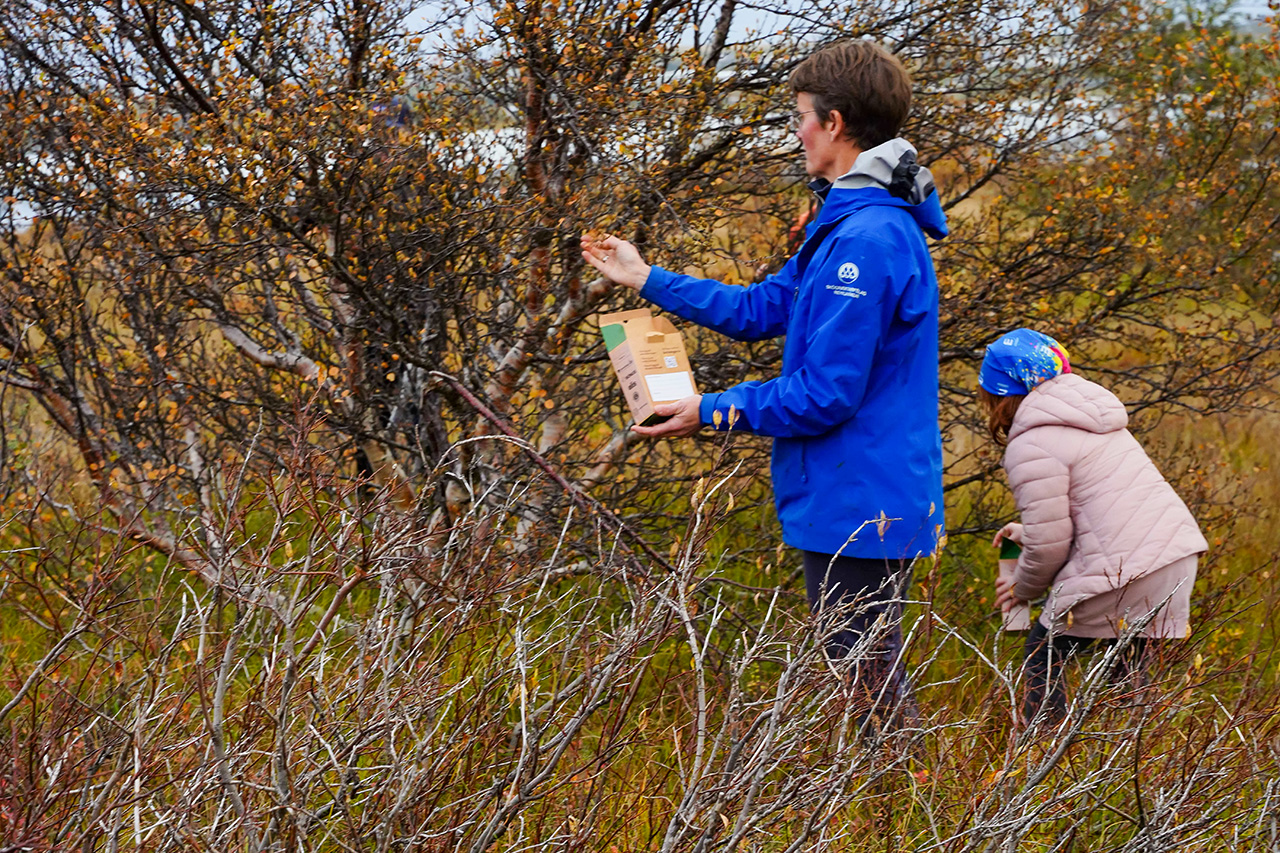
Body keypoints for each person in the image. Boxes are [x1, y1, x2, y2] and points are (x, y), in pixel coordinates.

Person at [581, 39, 948, 726]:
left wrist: (709, 411)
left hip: (860, 499)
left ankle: (909, 813)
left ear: (834, 123)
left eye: (801, 116)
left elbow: (825, 393)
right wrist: (644, 278)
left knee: (872, 696)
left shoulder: (866, 241)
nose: (797, 131)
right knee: (866, 682)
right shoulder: (845, 224)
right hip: (850, 494)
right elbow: (759, 310)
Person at [981, 328, 1208, 725]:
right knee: (1127, 688)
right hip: (1174, 559)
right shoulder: (1096, 419)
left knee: (1042, 654)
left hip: (1125, 571)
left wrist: (1022, 589)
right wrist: (1026, 532)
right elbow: (1103, 514)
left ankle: (1041, 759)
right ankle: (1129, 773)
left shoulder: (1031, 443)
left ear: (999, 392)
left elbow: (1052, 543)